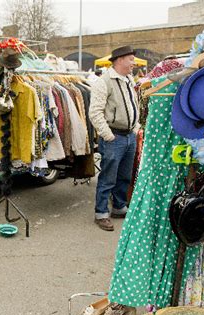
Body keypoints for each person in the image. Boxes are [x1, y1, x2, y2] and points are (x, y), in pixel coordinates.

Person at [88, 45, 140, 231]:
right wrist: (108, 135)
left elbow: (134, 104)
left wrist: (136, 127)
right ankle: (101, 213)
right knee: (108, 177)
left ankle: (119, 207)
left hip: (129, 136)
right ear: (119, 60)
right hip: (114, 136)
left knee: (124, 176)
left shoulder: (128, 79)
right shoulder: (104, 81)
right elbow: (95, 112)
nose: (133, 63)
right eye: (131, 59)